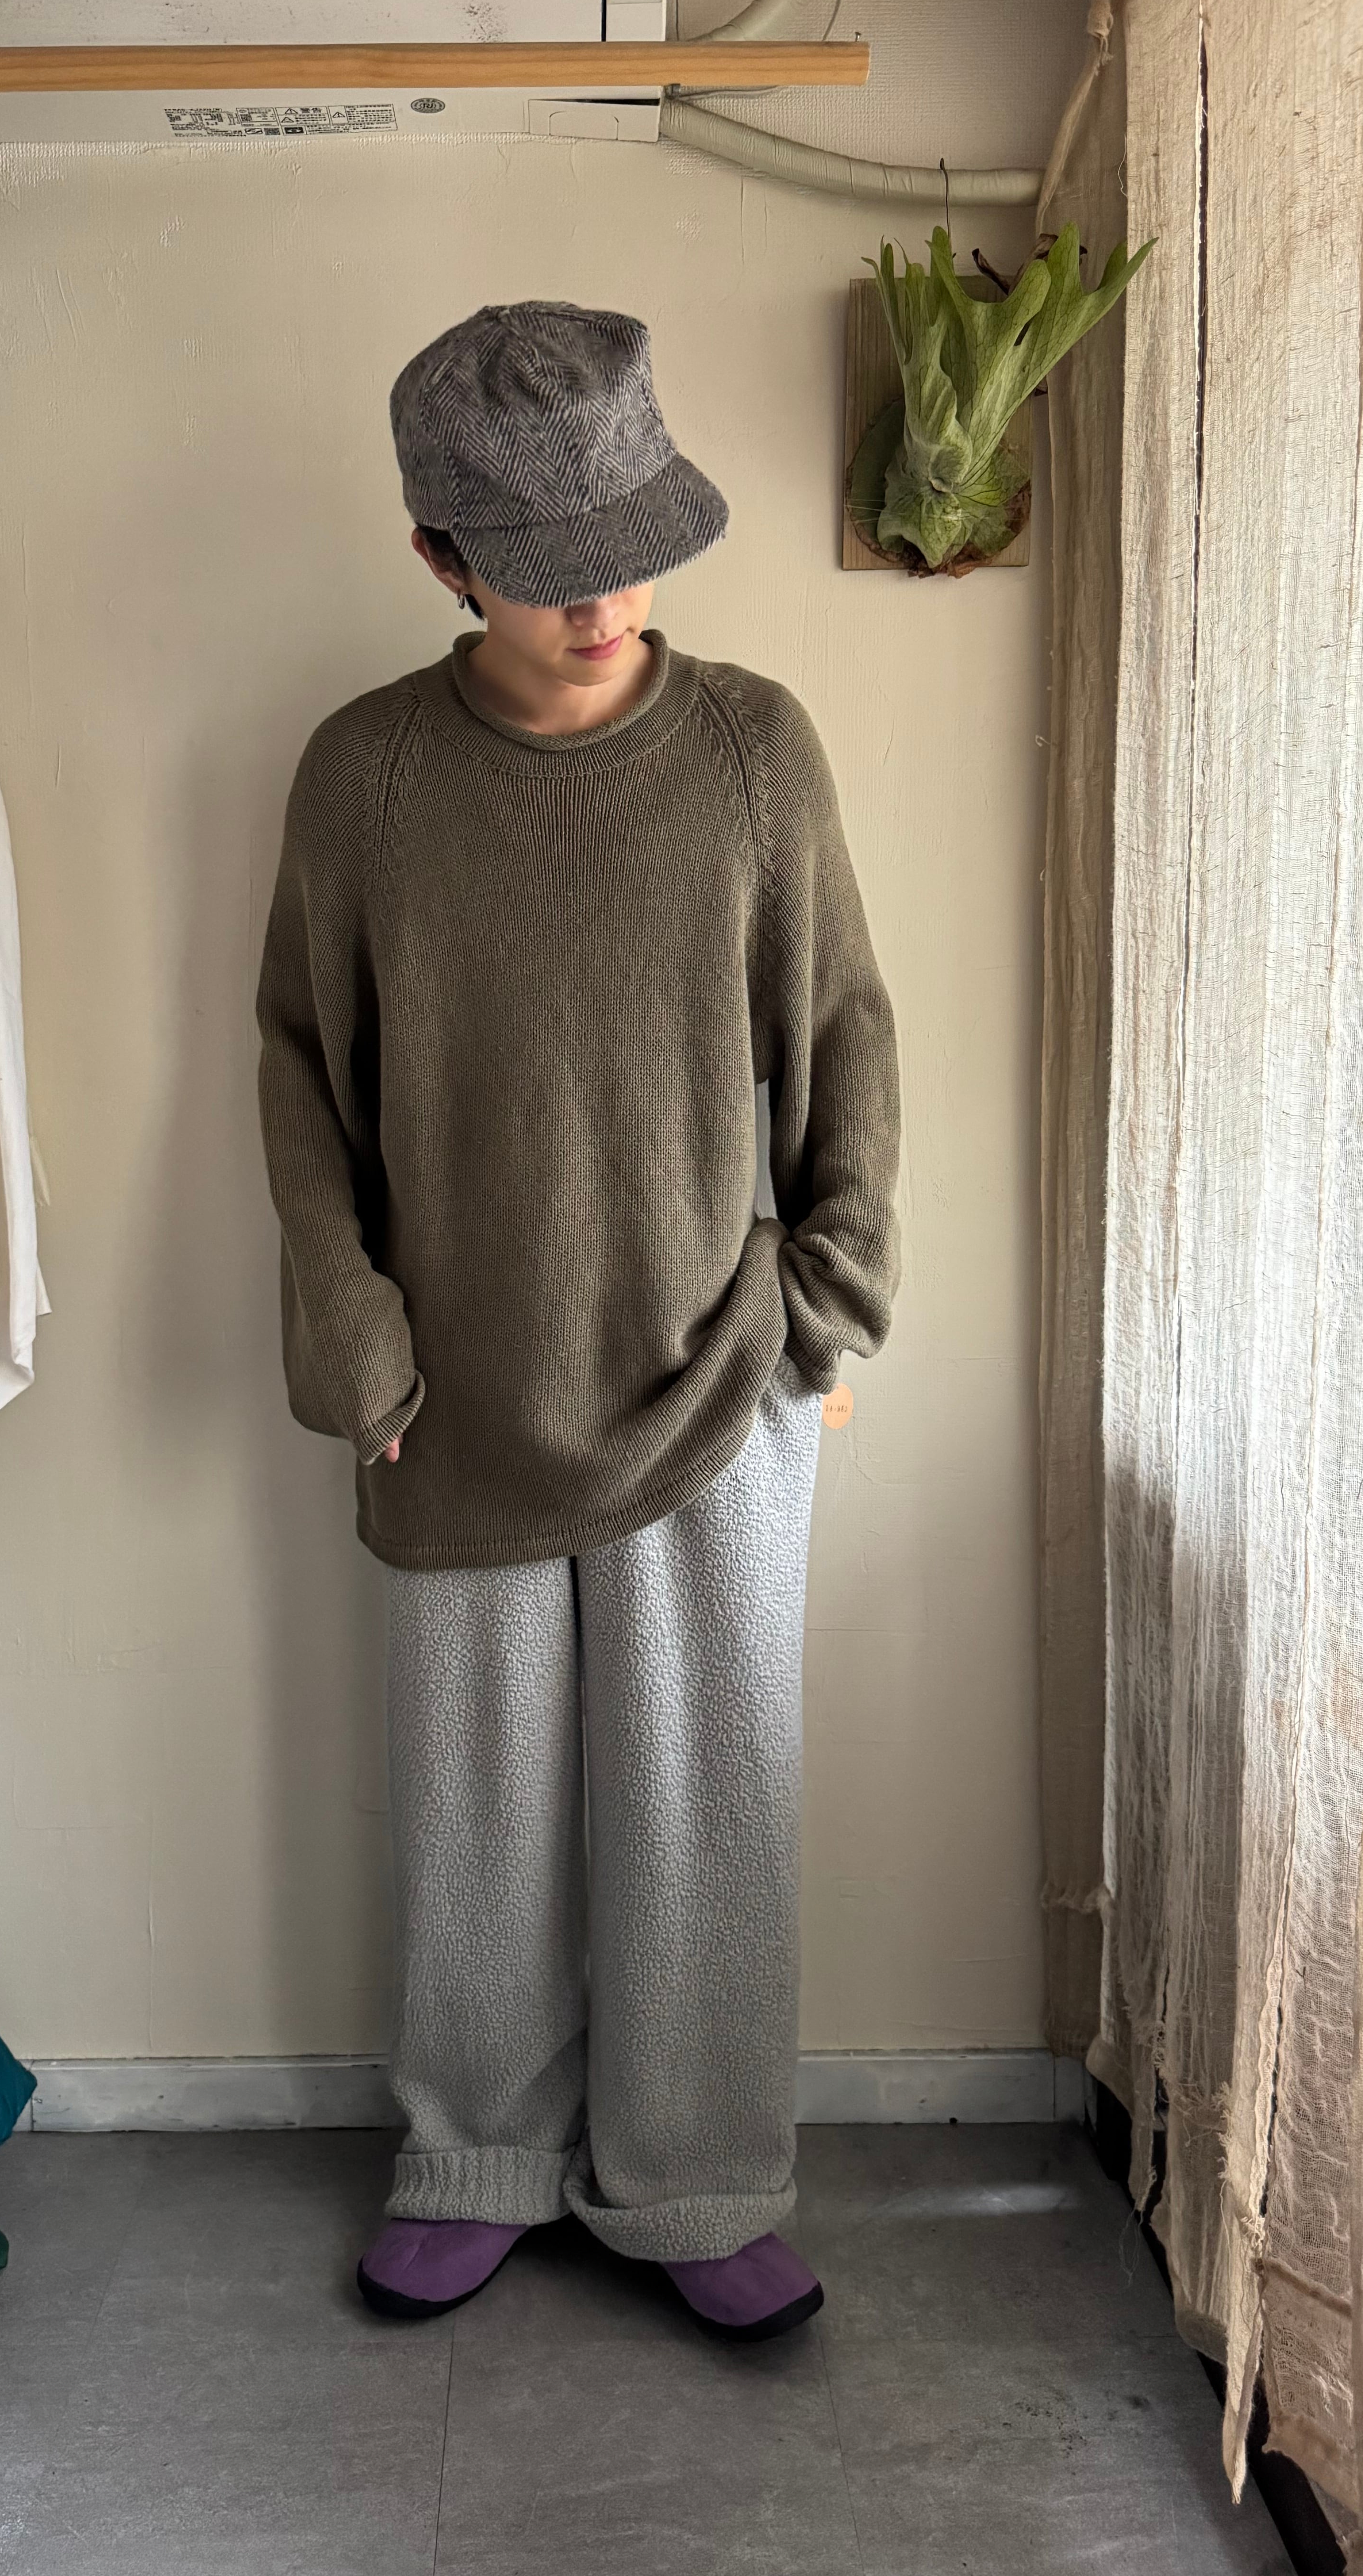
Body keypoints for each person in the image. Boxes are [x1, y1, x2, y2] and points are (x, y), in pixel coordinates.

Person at [256, 301, 901, 2343]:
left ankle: (697, 2175)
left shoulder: (753, 752)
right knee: (477, 1810)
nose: (604, 601)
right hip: (451, 1390)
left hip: (717, 1370)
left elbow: (846, 1031)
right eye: (550, 569)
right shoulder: (366, 775)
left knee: (711, 1801)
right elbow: (300, 1071)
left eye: (631, 548)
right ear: (441, 555)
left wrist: (831, 1301)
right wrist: (353, 1340)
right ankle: (473, 2155)